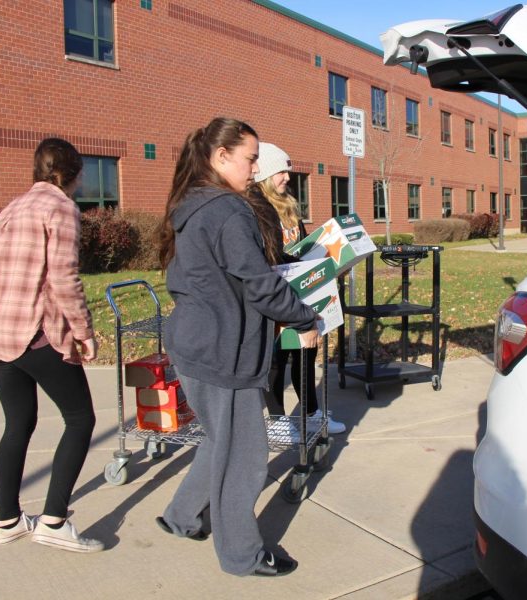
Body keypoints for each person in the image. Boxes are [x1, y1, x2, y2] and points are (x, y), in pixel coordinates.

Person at [156, 118, 320, 577]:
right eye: (249, 158)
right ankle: (243, 556)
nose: (254, 167)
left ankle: (182, 517)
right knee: (245, 457)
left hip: (193, 343)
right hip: (221, 349)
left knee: (219, 440)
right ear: (221, 155)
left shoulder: (192, 203)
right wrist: (306, 318)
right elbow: (260, 286)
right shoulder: (229, 210)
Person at [0, 137, 103, 553]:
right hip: (32, 333)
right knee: (80, 419)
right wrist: (83, 332)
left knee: (18, 424)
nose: (79, 186)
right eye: (79, 177)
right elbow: (64, 279)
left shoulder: (11, 209)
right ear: (66, 175)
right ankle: (53, 520)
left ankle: (9, 521)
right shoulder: (60, 207)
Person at [250, 142, 346, 435]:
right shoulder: (257, 208)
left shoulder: (288, 205)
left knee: (306, 353)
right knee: (277, 359)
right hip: (276, 294)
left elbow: (300, 248)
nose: (288, 178)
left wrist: (329, 263)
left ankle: (311, 414)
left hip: (301, 289)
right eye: (281, 171)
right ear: (265, 174)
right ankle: (277, 421)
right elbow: (268, 257)